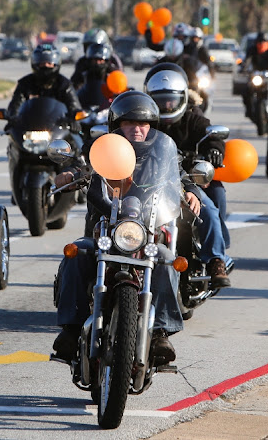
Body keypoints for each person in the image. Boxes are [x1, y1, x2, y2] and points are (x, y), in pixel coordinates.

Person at [52, 91, 201, 364]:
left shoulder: (162, 153)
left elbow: (179, 174)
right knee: (75, 255)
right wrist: (70, 174)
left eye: (143, 123)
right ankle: (70, 331)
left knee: (168, 261)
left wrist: (190, 190)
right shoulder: (101, 146)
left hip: (145, 230)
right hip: (104, 230)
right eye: (130, 122)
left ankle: (159, 335)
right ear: (116, 125)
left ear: (152, 126)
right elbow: (81, 164)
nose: (137, 128)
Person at [144, 63, 232, 287]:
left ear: (182, 98)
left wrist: (214, 151)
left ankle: (215, 260)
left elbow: (213, 137)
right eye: (160, 100)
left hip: (188, 181)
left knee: (209, 209)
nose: (166, 105)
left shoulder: (194, 119)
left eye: (170, 100)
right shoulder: (143, 121)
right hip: (149, 181)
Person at [5, 44, 82, 120]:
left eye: (49, 63)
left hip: (58, 126)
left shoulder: (64, 84)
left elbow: (74, 106)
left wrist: (73, 120)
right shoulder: (25, 83)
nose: (46, 66)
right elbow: (16, 104)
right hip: (29, 125)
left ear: (56, 64)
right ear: (35, 63)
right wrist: (13, 117)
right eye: (42, 63)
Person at [241, 32, 268, 113]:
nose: (262, 43)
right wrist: (244, 68)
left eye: (264, 41)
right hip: (256, 74)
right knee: (246, 90)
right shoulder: (252, 49)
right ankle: (249, 109)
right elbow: (247, 60)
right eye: (260, 41)